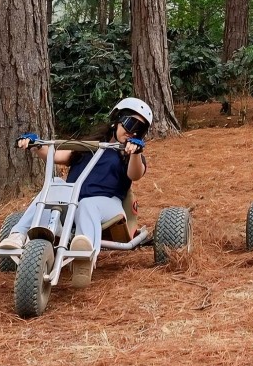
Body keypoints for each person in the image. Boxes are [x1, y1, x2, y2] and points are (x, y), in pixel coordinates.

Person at [12, 97, 151, 257]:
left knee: (87, 204)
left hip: (108, 205)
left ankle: (83, 256)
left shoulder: (129, 156)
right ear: (117, 120)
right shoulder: (89, 146)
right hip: (72, 202)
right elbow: (56, 155)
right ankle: (18, 235)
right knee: (55, 184)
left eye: (140, 129)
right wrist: (36, 145)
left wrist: (135, 153)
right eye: (129, 123)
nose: (132, 131)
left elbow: (135, 174)